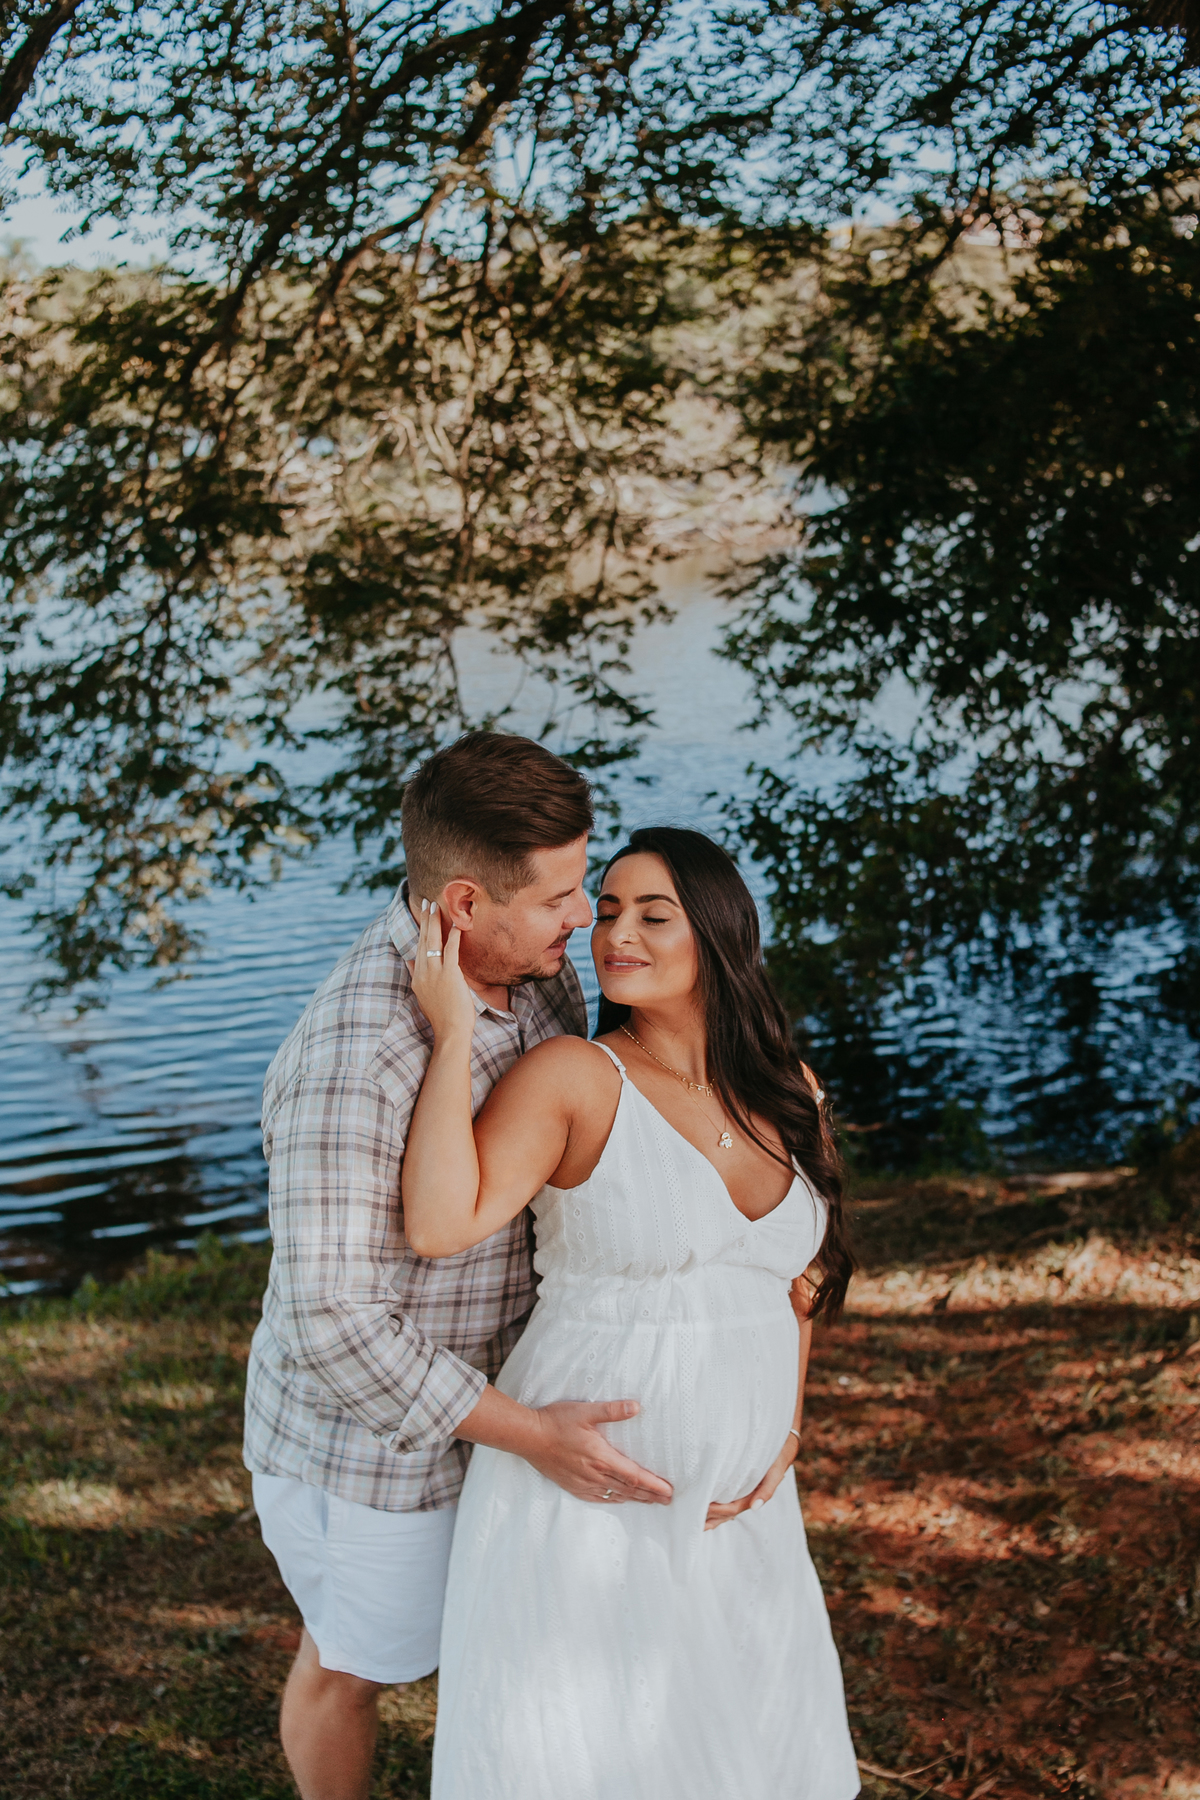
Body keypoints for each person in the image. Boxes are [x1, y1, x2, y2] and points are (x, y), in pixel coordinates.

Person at [242, 734, 673, 1800]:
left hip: (503, 1416)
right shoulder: (358, 1055)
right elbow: (331, 1322)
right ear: (469, 903)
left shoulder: (535, 980)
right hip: (374, 1463)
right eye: (564, 895)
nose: (587, 917)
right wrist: (528, 1432)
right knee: (353, 1665)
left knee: (515, 1654)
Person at [403, 825, 861, 1800]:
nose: (618, 934)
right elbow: (443, 1221)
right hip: (587, 1503)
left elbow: (803, 1279)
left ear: (720, 935)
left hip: (744, 1514)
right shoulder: (575, 1076)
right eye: (607, 911)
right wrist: (452, 1036)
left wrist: (787, 1427)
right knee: (593, 1759)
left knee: (745, 1745)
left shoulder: (788, 1092)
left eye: (654, 914)